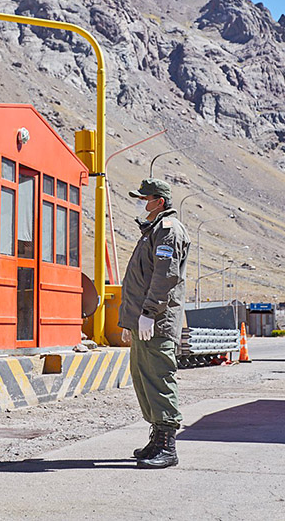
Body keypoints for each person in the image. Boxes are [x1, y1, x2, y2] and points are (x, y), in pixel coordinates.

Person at [119, 178, 191, 470]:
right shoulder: (153, 231)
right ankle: (156, 437)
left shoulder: (168, 231)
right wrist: (131, 318)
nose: (140, 202)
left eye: (143, 198)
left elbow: (165, 276)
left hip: (156, 322)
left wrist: (148, 312)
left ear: (159, 201)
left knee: (159, 378)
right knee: (144, 379)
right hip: (143, 321)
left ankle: (167, 446)